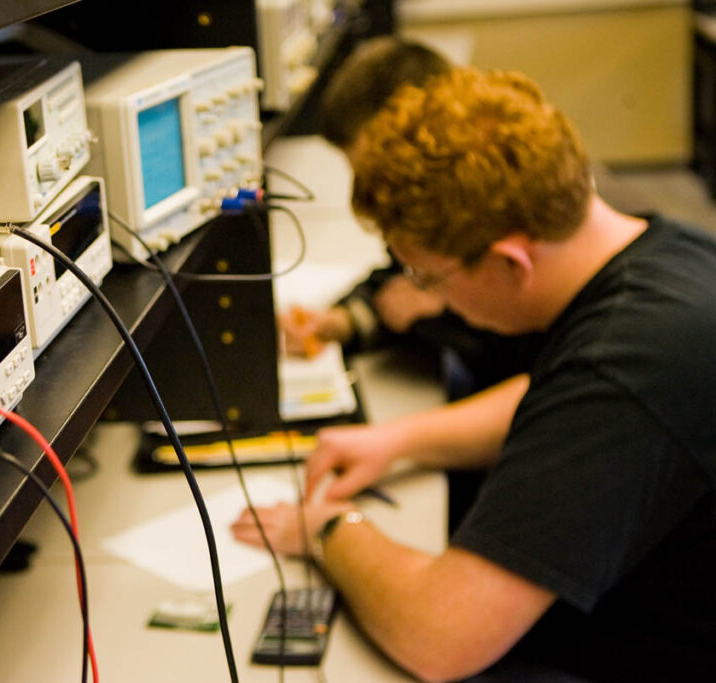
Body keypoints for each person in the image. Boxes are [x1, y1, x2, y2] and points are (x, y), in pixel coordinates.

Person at [234, 67, 716, 681]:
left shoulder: (623, 365)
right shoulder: (666, 254)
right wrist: (400, 439)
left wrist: (329, 529)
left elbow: (441, 635)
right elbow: (554, 394)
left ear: (510, 263)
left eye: (427, 279)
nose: (427, 296)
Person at [280, 37, 534, 398]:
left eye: (378, 172)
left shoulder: (500, 208)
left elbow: (529, 365)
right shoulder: (441, 206)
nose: (377, 194)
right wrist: (348, 320)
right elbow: (402, 282)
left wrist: (444, 309)